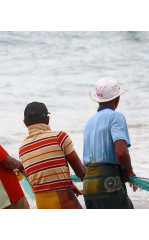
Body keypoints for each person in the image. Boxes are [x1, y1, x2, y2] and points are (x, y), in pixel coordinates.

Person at [19, 102, 86, 209]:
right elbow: (80, 172)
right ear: (47, 120)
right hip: (65, 203)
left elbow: (49, 176)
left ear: (25, 122)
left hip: (42, 205)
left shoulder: (22, 148)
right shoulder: (59, 137)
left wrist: (74, 189)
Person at [83, 77, 137, 209]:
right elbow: (121, 152)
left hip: (88, 184)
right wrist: (129, 171)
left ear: (98, 99)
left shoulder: (89, 122)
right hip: (107, 181)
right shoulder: (115, 117)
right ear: (117, 98)